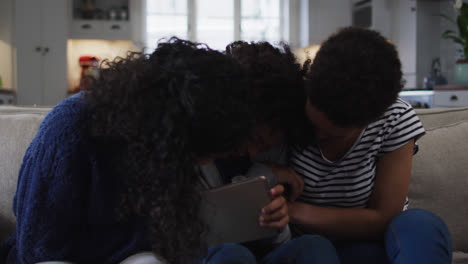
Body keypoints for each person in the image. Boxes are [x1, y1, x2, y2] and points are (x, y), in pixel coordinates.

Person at [1, 38, 268, 264]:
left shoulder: (167, 146)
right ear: (175, 132)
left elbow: (170, 242)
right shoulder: (71, 130)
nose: (206, 161)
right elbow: (37, 249)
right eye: (202, 153)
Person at [285, 27, 453, 263]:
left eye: (333, 134)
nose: (318, 137)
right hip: (310, 249)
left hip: (372, 245)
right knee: (315, 249)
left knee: (420, 224)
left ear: (369, 121)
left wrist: (295, 211)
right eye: (313, 124)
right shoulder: (285, 104)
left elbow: (384, 217)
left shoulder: (394, 118)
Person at [198, 41, 340, 264]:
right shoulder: (197, 149)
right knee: (233, 255)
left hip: (262, 253)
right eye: (254, 138)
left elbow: (275, 242)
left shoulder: (277, 148)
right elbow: (196, 232)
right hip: (208, 253)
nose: (253, 153)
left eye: (265, 147)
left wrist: (278, 221)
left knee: (315, 246)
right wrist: (263, 172)